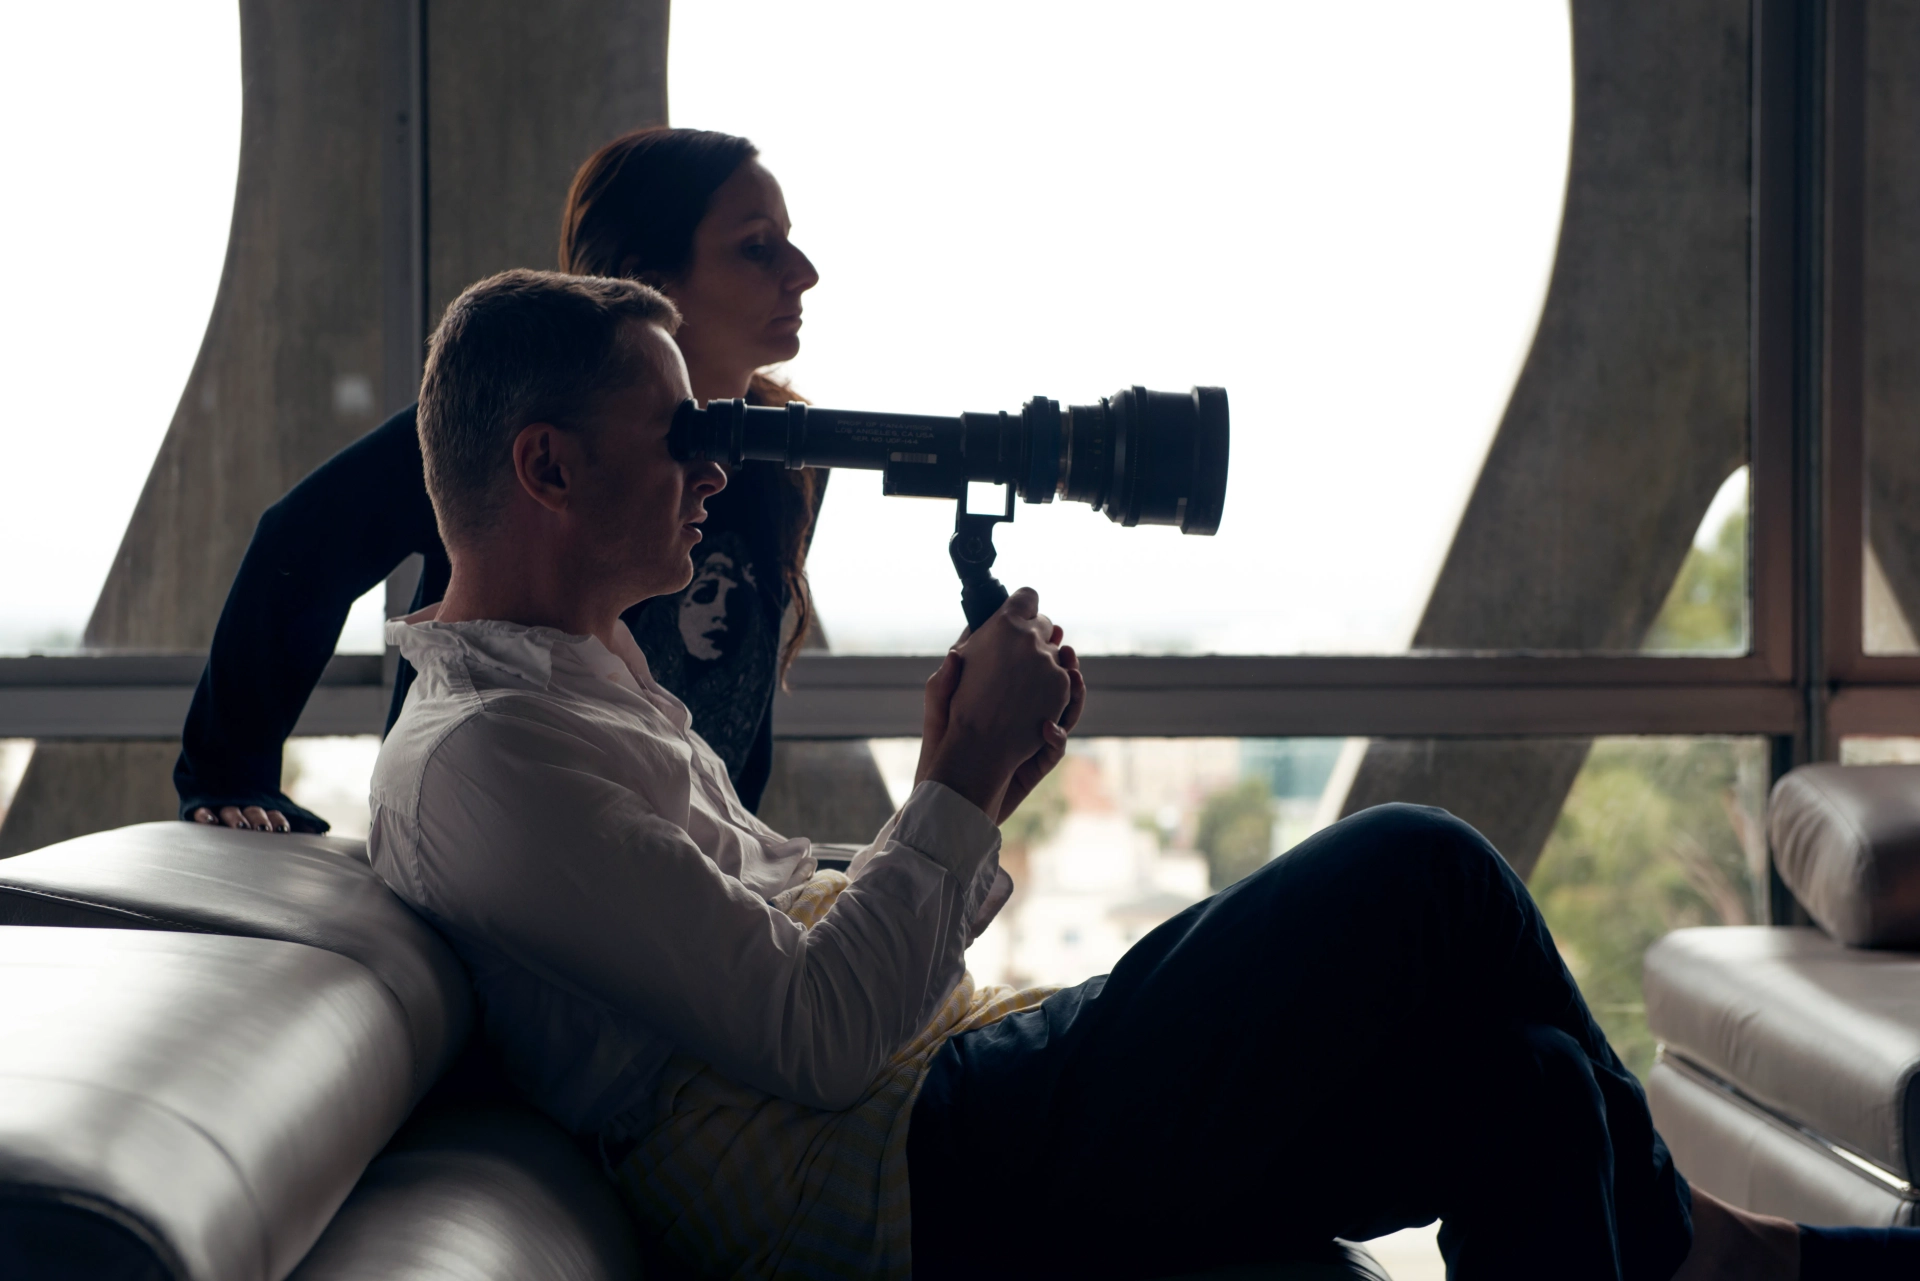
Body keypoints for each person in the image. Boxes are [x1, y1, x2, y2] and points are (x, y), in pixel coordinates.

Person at [370, 268, 1911, 1281]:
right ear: (547, 469)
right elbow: (815, 1034)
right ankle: (1735, 1258)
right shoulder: (487, 759)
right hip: (904, 1173)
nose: (718, 466)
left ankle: (1723, 1252)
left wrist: (960, 782)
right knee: (1419, 865)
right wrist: (960, 787)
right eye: (677, 430)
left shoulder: (578, 683)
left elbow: (773, 954)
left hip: (947, 1105)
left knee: (1529, 1094)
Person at [175, 127, 820, 833]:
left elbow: (741, 693)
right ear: (649, 279)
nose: (804, 271)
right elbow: (300, 542)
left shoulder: (786, 461)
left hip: (682, 882)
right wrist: (229, 770)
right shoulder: (521, 424)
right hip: (508, 846)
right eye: (758, 247)